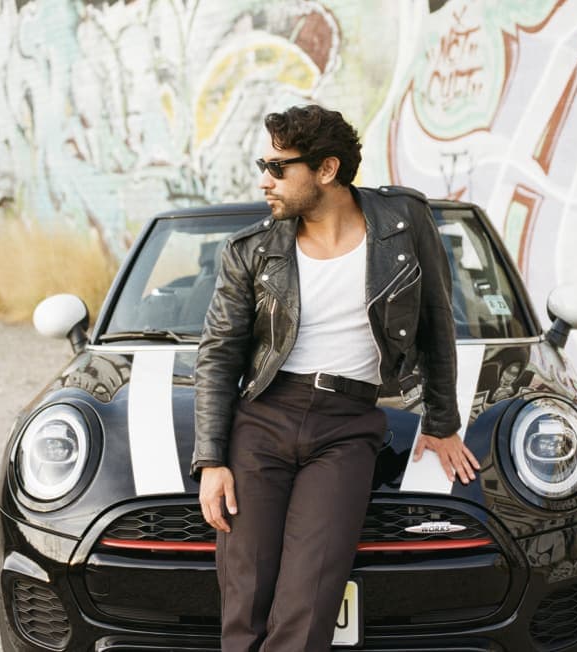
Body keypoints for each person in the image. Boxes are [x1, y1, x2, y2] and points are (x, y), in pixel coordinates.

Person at [191, 104, 480, 651]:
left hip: (348, 427)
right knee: (246, 593)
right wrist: (212, 459)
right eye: (264, 164)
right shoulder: (252, 250)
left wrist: (441, 423)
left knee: (310, 598)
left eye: (278, 167)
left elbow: (436, 325)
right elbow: (219, 355)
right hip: (262, 420)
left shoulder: (403, 223)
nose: (264, 179)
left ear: (326, 170)